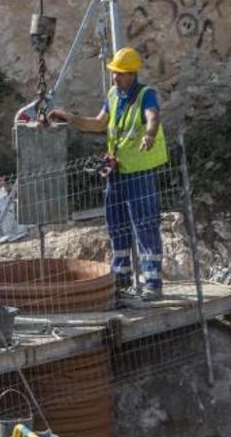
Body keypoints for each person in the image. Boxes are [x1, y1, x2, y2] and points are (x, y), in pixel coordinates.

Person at [47, 47, 168, 301]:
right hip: (117, 172)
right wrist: (69, 117)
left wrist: (149, 133)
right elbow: (98, 123)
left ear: (132, 74)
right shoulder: (114, 95)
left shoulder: (146, 95)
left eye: (120, 74)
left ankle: (152, 282)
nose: (114, 77)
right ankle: (121, 276)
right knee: (117, 225)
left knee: (145, 225)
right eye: (113, 73)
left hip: (140, 173)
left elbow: (152, 116)